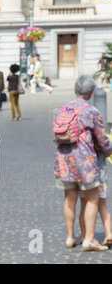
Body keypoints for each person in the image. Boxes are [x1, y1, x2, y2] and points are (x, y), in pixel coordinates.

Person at [54, 75, 112, 251]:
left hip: (64, 161)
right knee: (92, 198)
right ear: (92, 93)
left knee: (69, 198)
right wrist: (108, 151)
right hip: (85, 162)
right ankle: (89, 239)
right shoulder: (92, 111)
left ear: (74, 90)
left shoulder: (62, 109)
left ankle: (70, 237)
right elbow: (102, 139)